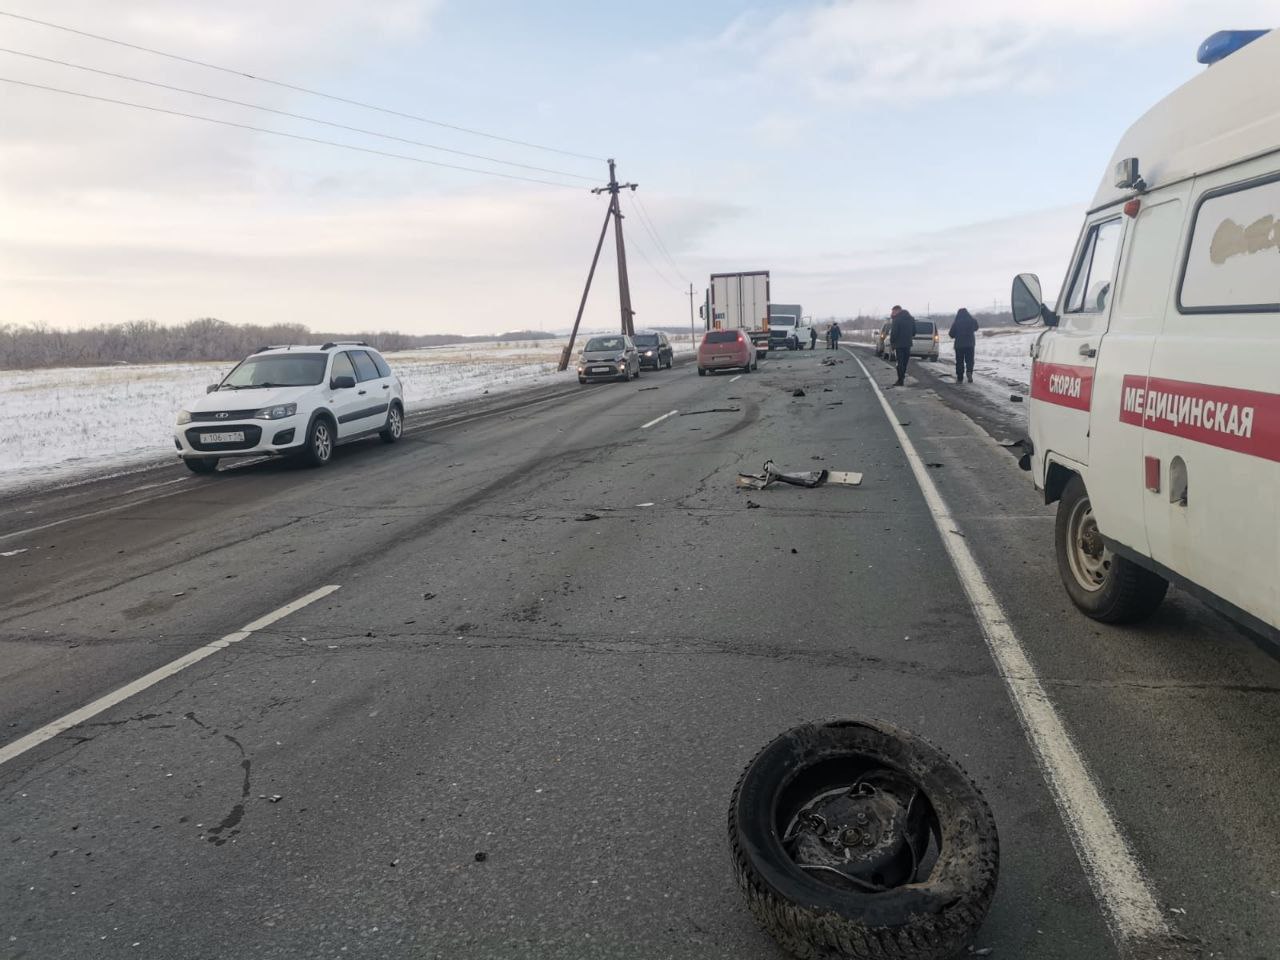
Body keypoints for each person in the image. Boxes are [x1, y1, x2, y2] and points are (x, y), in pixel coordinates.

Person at [949, 307, 979, 383]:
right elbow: (976, 328)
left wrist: (957, 334)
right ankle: (969, 371)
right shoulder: (972, 320)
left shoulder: (956, 322)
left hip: (959, 345)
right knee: (970, 360)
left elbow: (951, 334)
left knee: (959, 361)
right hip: (970, 344)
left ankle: (960, 378)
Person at [888, 305, 916, 386]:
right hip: (908, 344)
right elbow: (914, 332)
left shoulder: (897, 320)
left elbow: (894, 333)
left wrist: (892, 343)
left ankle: (900, 380)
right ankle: (901, 378)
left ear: (897, 311)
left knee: (899, 363)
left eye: (893, 312)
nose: (892, 313)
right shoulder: (911, 319)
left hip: (898, 345)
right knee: (905, 362)